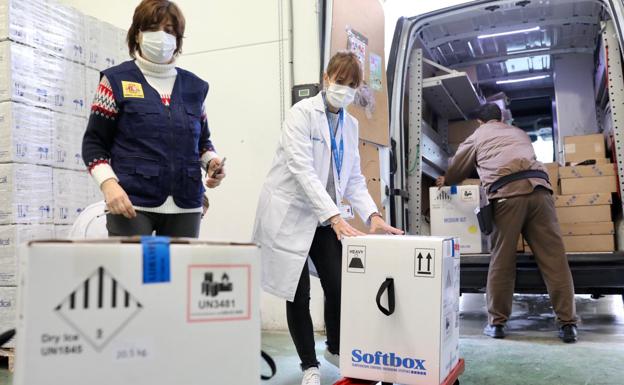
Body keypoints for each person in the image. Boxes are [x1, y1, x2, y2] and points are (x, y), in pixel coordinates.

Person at [253, 51, 403, 385]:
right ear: (326, 78)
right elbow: (302, 170)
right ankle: (309, 366)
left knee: (339, 283)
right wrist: (335, 217)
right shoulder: (301, 114)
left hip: (324, 217)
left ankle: (335, 348)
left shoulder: (350, 124)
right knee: (298, 292)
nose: (344, 90)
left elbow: (352, 179)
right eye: (339, 82)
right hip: (291, 215)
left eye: (352, 85)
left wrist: (373, 215)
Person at [436, 103, 578, 343]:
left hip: (507, 194)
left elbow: (458, 167)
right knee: (555, 259)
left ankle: (497, 323)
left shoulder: (478, 135)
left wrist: (446, 180)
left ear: (480, 121)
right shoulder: (519, 133)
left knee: (502, 259)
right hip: (541, 191)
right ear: (501, 118)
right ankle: (568, 325)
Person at [82, 0, 225, 238]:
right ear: (137, 35)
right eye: (152, 27)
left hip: (186, 205)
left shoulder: (195, 88)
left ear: (178, 39)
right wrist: (108, 184)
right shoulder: (115, 81)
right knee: (131, 273)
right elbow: (94, 144)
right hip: (131, 203)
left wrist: (212, 162)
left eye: (169, 30)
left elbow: (202, 143)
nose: (161, 36)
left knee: (179, 274)